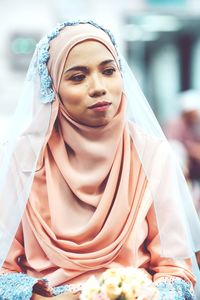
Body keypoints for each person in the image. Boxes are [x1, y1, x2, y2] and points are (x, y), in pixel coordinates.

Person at [0, 21, 200, 300]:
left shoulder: (150, 154)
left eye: (108, 71)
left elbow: (176, 270)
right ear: (53, 88)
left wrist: (140, 295)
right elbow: (3, 271)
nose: (98, 87)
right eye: (77, 77)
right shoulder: (21, 158)